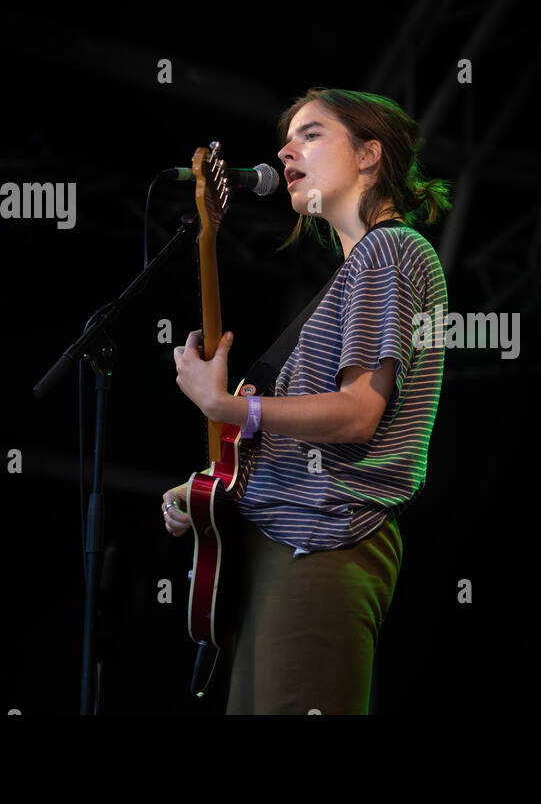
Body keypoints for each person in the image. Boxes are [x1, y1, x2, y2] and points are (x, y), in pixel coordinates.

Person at [160, 87, 451, 714]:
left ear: (370, 154)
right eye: (288, 138)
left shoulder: (390, 249)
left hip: (322, 544)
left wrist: (232, 410)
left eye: (312, 134)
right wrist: (212, 490)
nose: (286, 150)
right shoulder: (357, 272)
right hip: (284, 548)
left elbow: (357, 414)